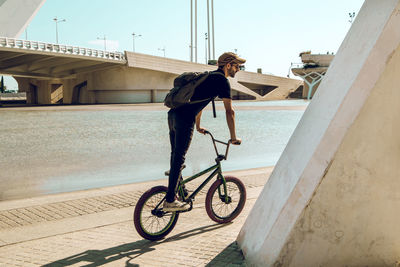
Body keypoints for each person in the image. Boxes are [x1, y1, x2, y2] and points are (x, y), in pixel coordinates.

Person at [163, 52, 245, 212]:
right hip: (184, 119)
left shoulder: (209, 77)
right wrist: (233, 137)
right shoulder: (222, 81)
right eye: (237, 66)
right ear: (228, 66)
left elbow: (199, 103)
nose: (239, 69)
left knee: (176, 156)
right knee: (179, 158)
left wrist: (199, 126)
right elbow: (230, 112)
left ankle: (180, 188)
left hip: (173, 115)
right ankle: (170, 200)